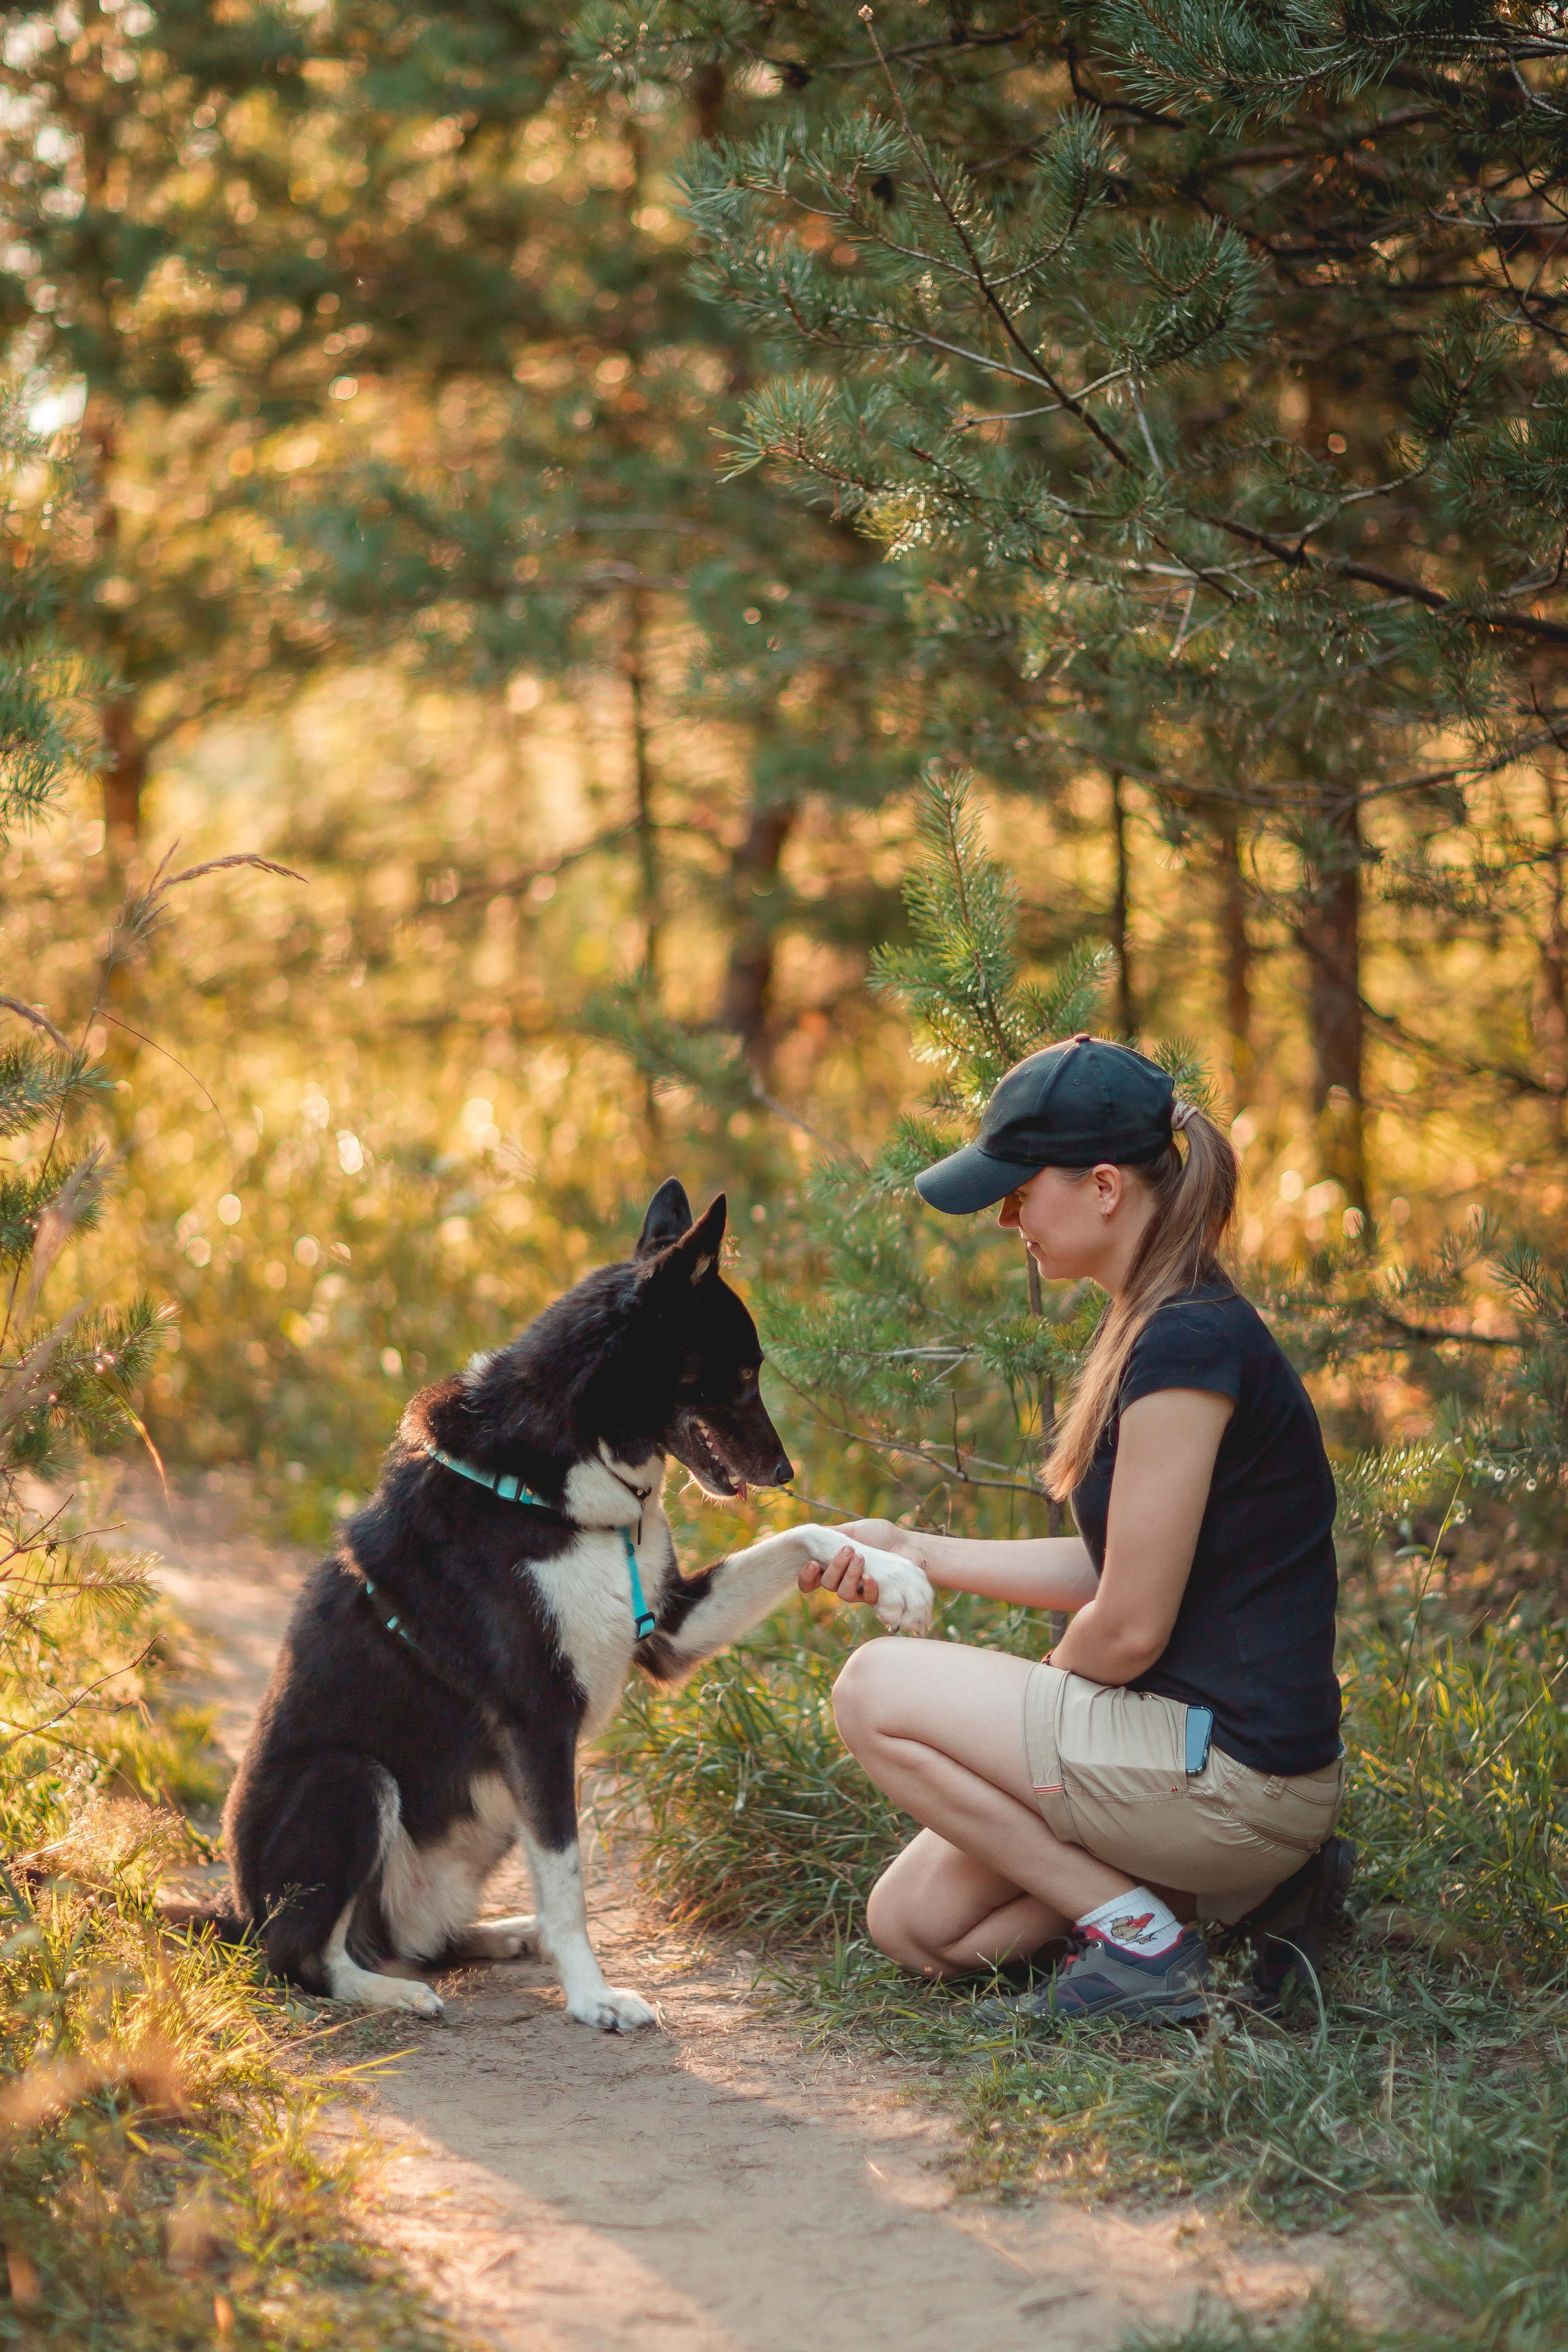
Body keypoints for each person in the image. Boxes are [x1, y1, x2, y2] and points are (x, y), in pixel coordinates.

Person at [798, 1034, 1349, 2022]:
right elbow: (1109, 1562)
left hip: (1235, 1772)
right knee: (919, 1925)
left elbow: (1129, 1624)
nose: (1008, 1217)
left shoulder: (1189, 1341)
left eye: (1019, 1191)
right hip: (1184, 1762)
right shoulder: (1159, 1322)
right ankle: (1223, 1902)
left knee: (874, 1685)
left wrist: (1045, 1702)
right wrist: (919, 1551)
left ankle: (1145, 1943)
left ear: (1104, 1187)